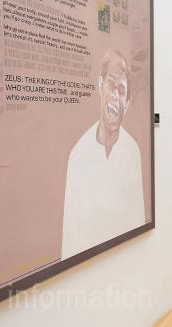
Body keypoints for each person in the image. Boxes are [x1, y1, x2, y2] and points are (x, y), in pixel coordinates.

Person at [62, 50, 145, 259]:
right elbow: (69, 236)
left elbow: (137, 219)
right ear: (100, 85)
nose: (115, 95)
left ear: (127, 104)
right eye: (111, 84)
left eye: (122, 90)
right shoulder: (78, 155)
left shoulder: (132, 151)